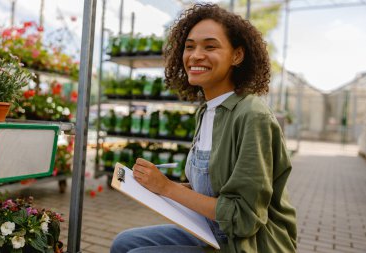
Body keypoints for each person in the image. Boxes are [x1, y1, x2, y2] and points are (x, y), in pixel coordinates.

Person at [110, 3, 297, 253]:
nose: (195, 55)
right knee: (123, 242)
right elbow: (210, 189)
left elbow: (244, 218)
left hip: (248, 244)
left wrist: (167, 188)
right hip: (210, 232)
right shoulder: (208, 111)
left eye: (210, 46)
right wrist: (153, 184)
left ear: (237, 56)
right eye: (189, 47)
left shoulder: (252, 115)